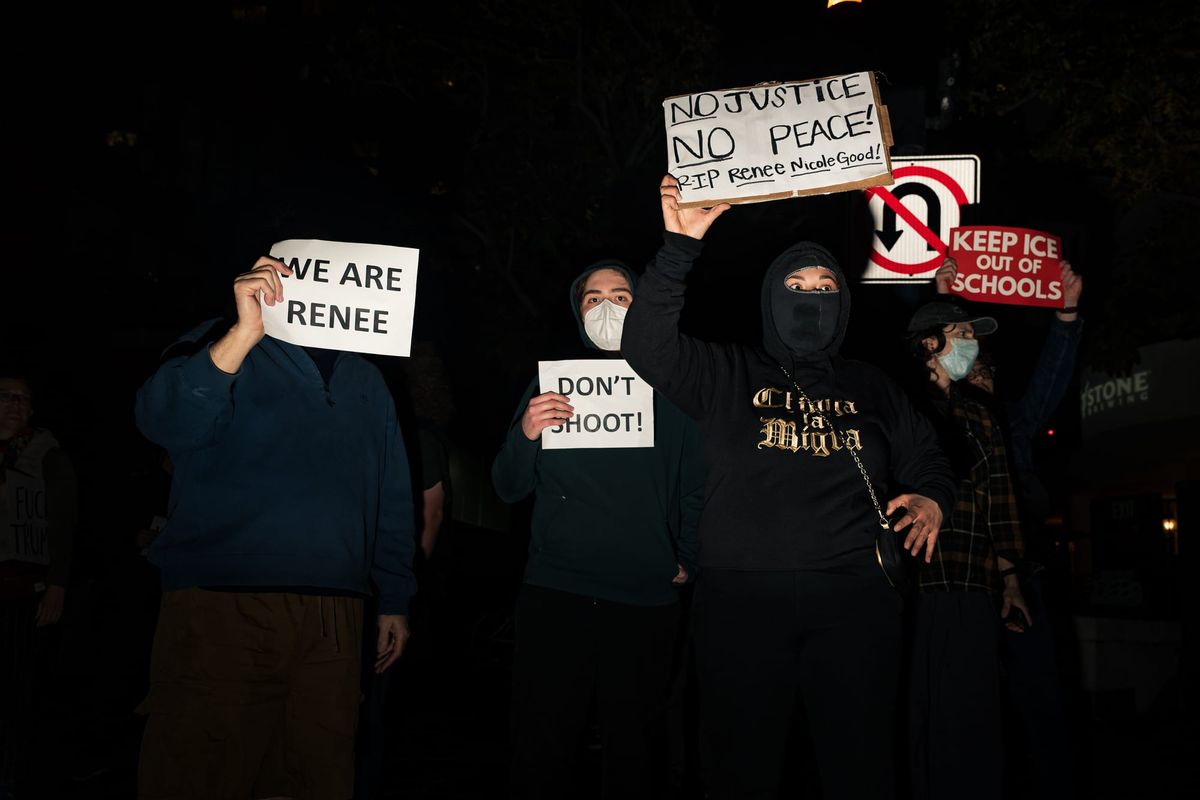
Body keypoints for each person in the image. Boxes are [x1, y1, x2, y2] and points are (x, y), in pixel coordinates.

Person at [621, 175, 955, 799]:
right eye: (795, 287)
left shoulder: (874, 385)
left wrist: (934, 497)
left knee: (860, 767)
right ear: (770, 299)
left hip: (856, 604)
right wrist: (679, 248)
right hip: (740, 606)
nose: (810, 298)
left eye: (825, 288)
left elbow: (929, 456)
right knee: (738, 770)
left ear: (844, 303)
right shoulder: (725, 371)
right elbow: (645, 347)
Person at [133, 255, 416, 800]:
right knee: (199, 770)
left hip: (337, 615)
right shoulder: (217, 341)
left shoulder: (368, 378)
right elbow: (161, 420)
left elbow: (391, 494)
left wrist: (395, 597)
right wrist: (242, 335)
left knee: (317, 775)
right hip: (222, 605)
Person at [491, 259, 704, 799]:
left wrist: (689, 556)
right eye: (593, 297)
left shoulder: (676, 386)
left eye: (621, 296)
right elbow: (507, 486)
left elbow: (696, 487)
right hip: (556, 594)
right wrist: (526, 431)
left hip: (643, 602)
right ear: (577, 309)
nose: (606, 307)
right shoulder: (550, 384)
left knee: (635, 750)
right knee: (542, 745)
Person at [936, 256, 1083, 798]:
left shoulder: (1013, 423)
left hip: (1020, 577)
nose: (979, 378)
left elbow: (1049, 381)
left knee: (1039, 698)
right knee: (964, 706)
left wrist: (1066, 316)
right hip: (956, 584)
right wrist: (944, 303)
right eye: (969, 370)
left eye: (987, 373)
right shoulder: (934, 420)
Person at [904, 299, 1031, 800]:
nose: (972, 345)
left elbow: (1000, 498)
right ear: (930, 343)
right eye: (961, 332)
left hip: (974, 581)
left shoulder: (980, 415)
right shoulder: (898, 406)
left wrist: (1011, 580)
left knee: (973, 711)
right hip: (914, 586)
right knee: (915, 709)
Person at [0, 371, 78, 800]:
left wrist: (56, 585)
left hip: (20, 594)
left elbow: (64, 523)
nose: (15, 405)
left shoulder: (46, 455)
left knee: (15, 693)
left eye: (23, 399)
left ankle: (9, 779)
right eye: (6, 397)